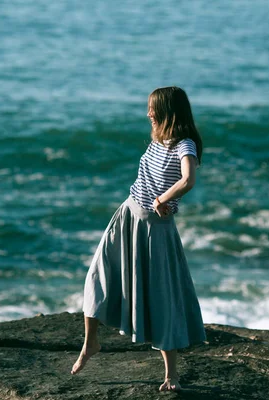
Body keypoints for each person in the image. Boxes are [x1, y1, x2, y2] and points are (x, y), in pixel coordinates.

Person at [71, 86, 206, 392]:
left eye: (152, 108)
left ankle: (172, 374)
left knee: (161, 298)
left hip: (155, 230)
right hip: (127, 216)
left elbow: (188, 179)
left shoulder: (184, 144)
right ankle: (91, 344)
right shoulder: (158, 140)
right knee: (97, 277)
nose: (148, 113)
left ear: (167, 111)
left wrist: (165, 198)